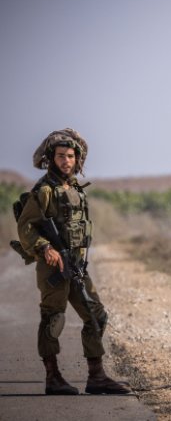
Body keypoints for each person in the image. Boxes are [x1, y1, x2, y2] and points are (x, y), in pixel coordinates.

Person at [16, 128, 131, 395]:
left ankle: (97, 376)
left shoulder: (76, 188)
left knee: (96, 315)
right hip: (53, 267)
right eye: (60, 156)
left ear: (77, 159)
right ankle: (52, 377)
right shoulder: (44, 190)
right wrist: (45, 247)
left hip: (76, 266)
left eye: (70, 156)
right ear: (51, 158)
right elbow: (26, 226)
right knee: (53, 320)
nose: (66, 161)